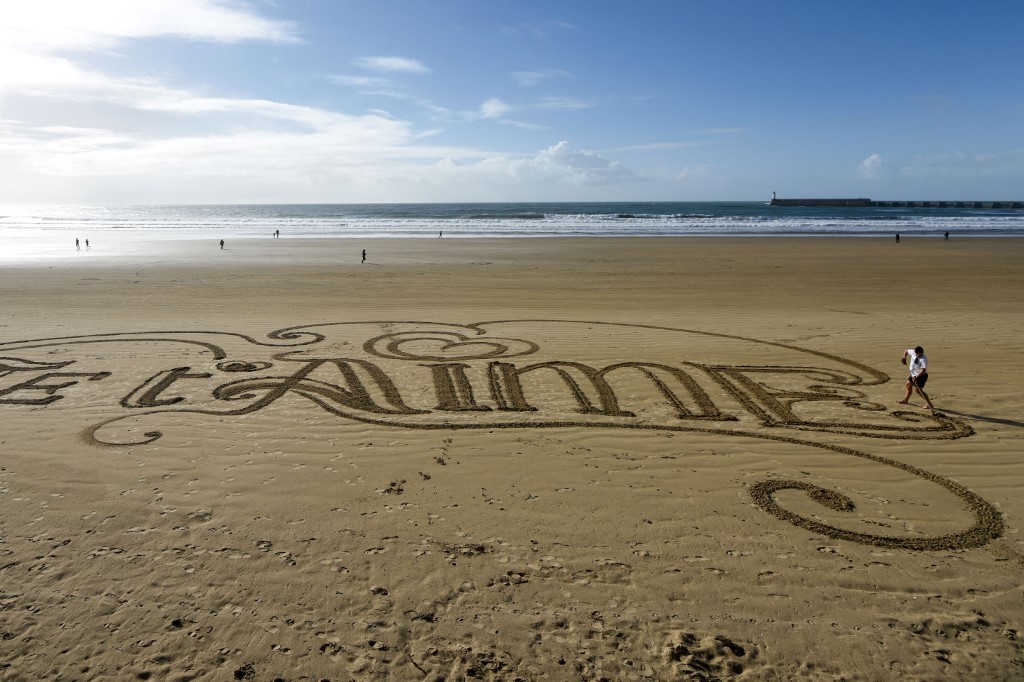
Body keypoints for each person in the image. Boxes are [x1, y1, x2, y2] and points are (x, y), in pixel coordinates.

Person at [898, 345, 934, 411]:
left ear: (922, 353)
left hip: (921, 376)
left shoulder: (924, 359)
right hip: (913, 374)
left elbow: (923, 370)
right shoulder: (913, 352)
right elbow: (906, 351)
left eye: (919, 354)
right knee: (908, 385)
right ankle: (906, 400)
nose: (917, 355)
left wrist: (916, 377)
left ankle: (930, 405)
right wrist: (904, 358)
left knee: (918, 390)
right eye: (916, 353)